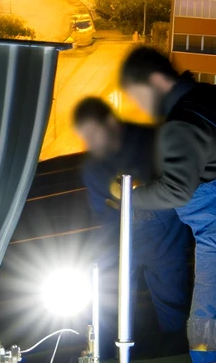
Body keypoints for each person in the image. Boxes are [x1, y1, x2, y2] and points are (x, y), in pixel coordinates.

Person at [117, 47, 216, 363]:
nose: (140, 107)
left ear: (155, 82)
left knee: (211, 329)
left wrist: (128, 195)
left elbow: (175, 191)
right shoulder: (214, 99)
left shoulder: (182, 124)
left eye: (137, 97)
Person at [73, 96, 191, 345]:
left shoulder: (152, 142)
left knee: (172, 302)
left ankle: (178, 358)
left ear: (110, 123)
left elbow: (175, 190)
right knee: (108, 300)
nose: (90, 143)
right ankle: (107, 355)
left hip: (165, 238)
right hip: (120, 239)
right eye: (85, 137)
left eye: (93, 134)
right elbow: (104, 214)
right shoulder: (93, 168)